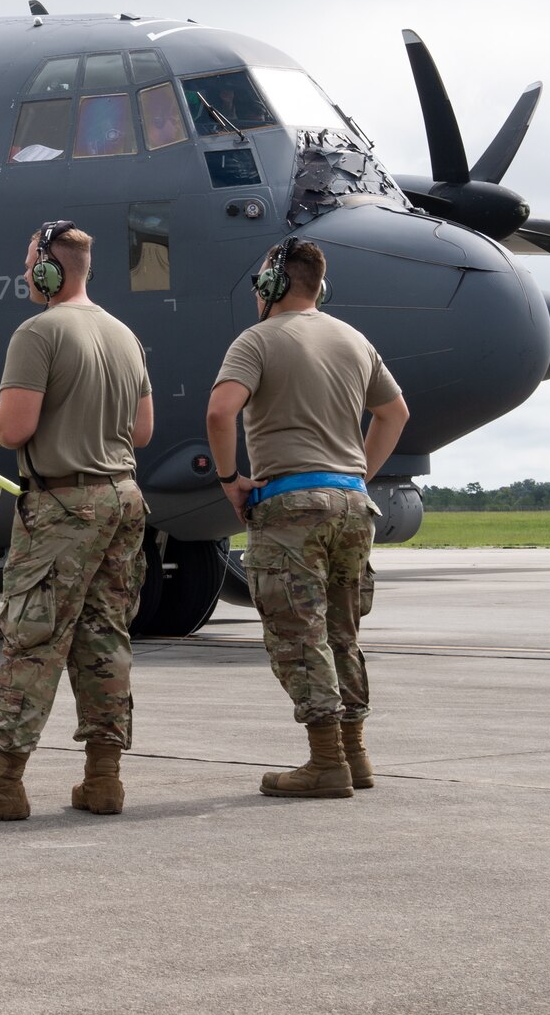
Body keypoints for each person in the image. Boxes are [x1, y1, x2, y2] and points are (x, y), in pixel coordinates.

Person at [0, 220, 153, 822]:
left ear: (51, 269)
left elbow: (14, 429)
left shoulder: (38, 331)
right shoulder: (124, 335)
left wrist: (4, 415)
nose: (26, 273)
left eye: (30, 263)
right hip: (122, 498)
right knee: (105, 637)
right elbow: (143, 432)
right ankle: (104, 779)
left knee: (32, 639)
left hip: (63, 504)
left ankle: (2, 782)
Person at [206, 237, 408, 798]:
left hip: (292, 506)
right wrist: (356, 474)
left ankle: (325, 764)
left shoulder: (257, 340)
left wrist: (230, 480)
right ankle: (356, 755)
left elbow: (221, 410)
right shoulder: (354, 339)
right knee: (343, 631)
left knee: (298, 633)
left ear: (271, 285)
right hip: (350, 504)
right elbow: (394, 412)